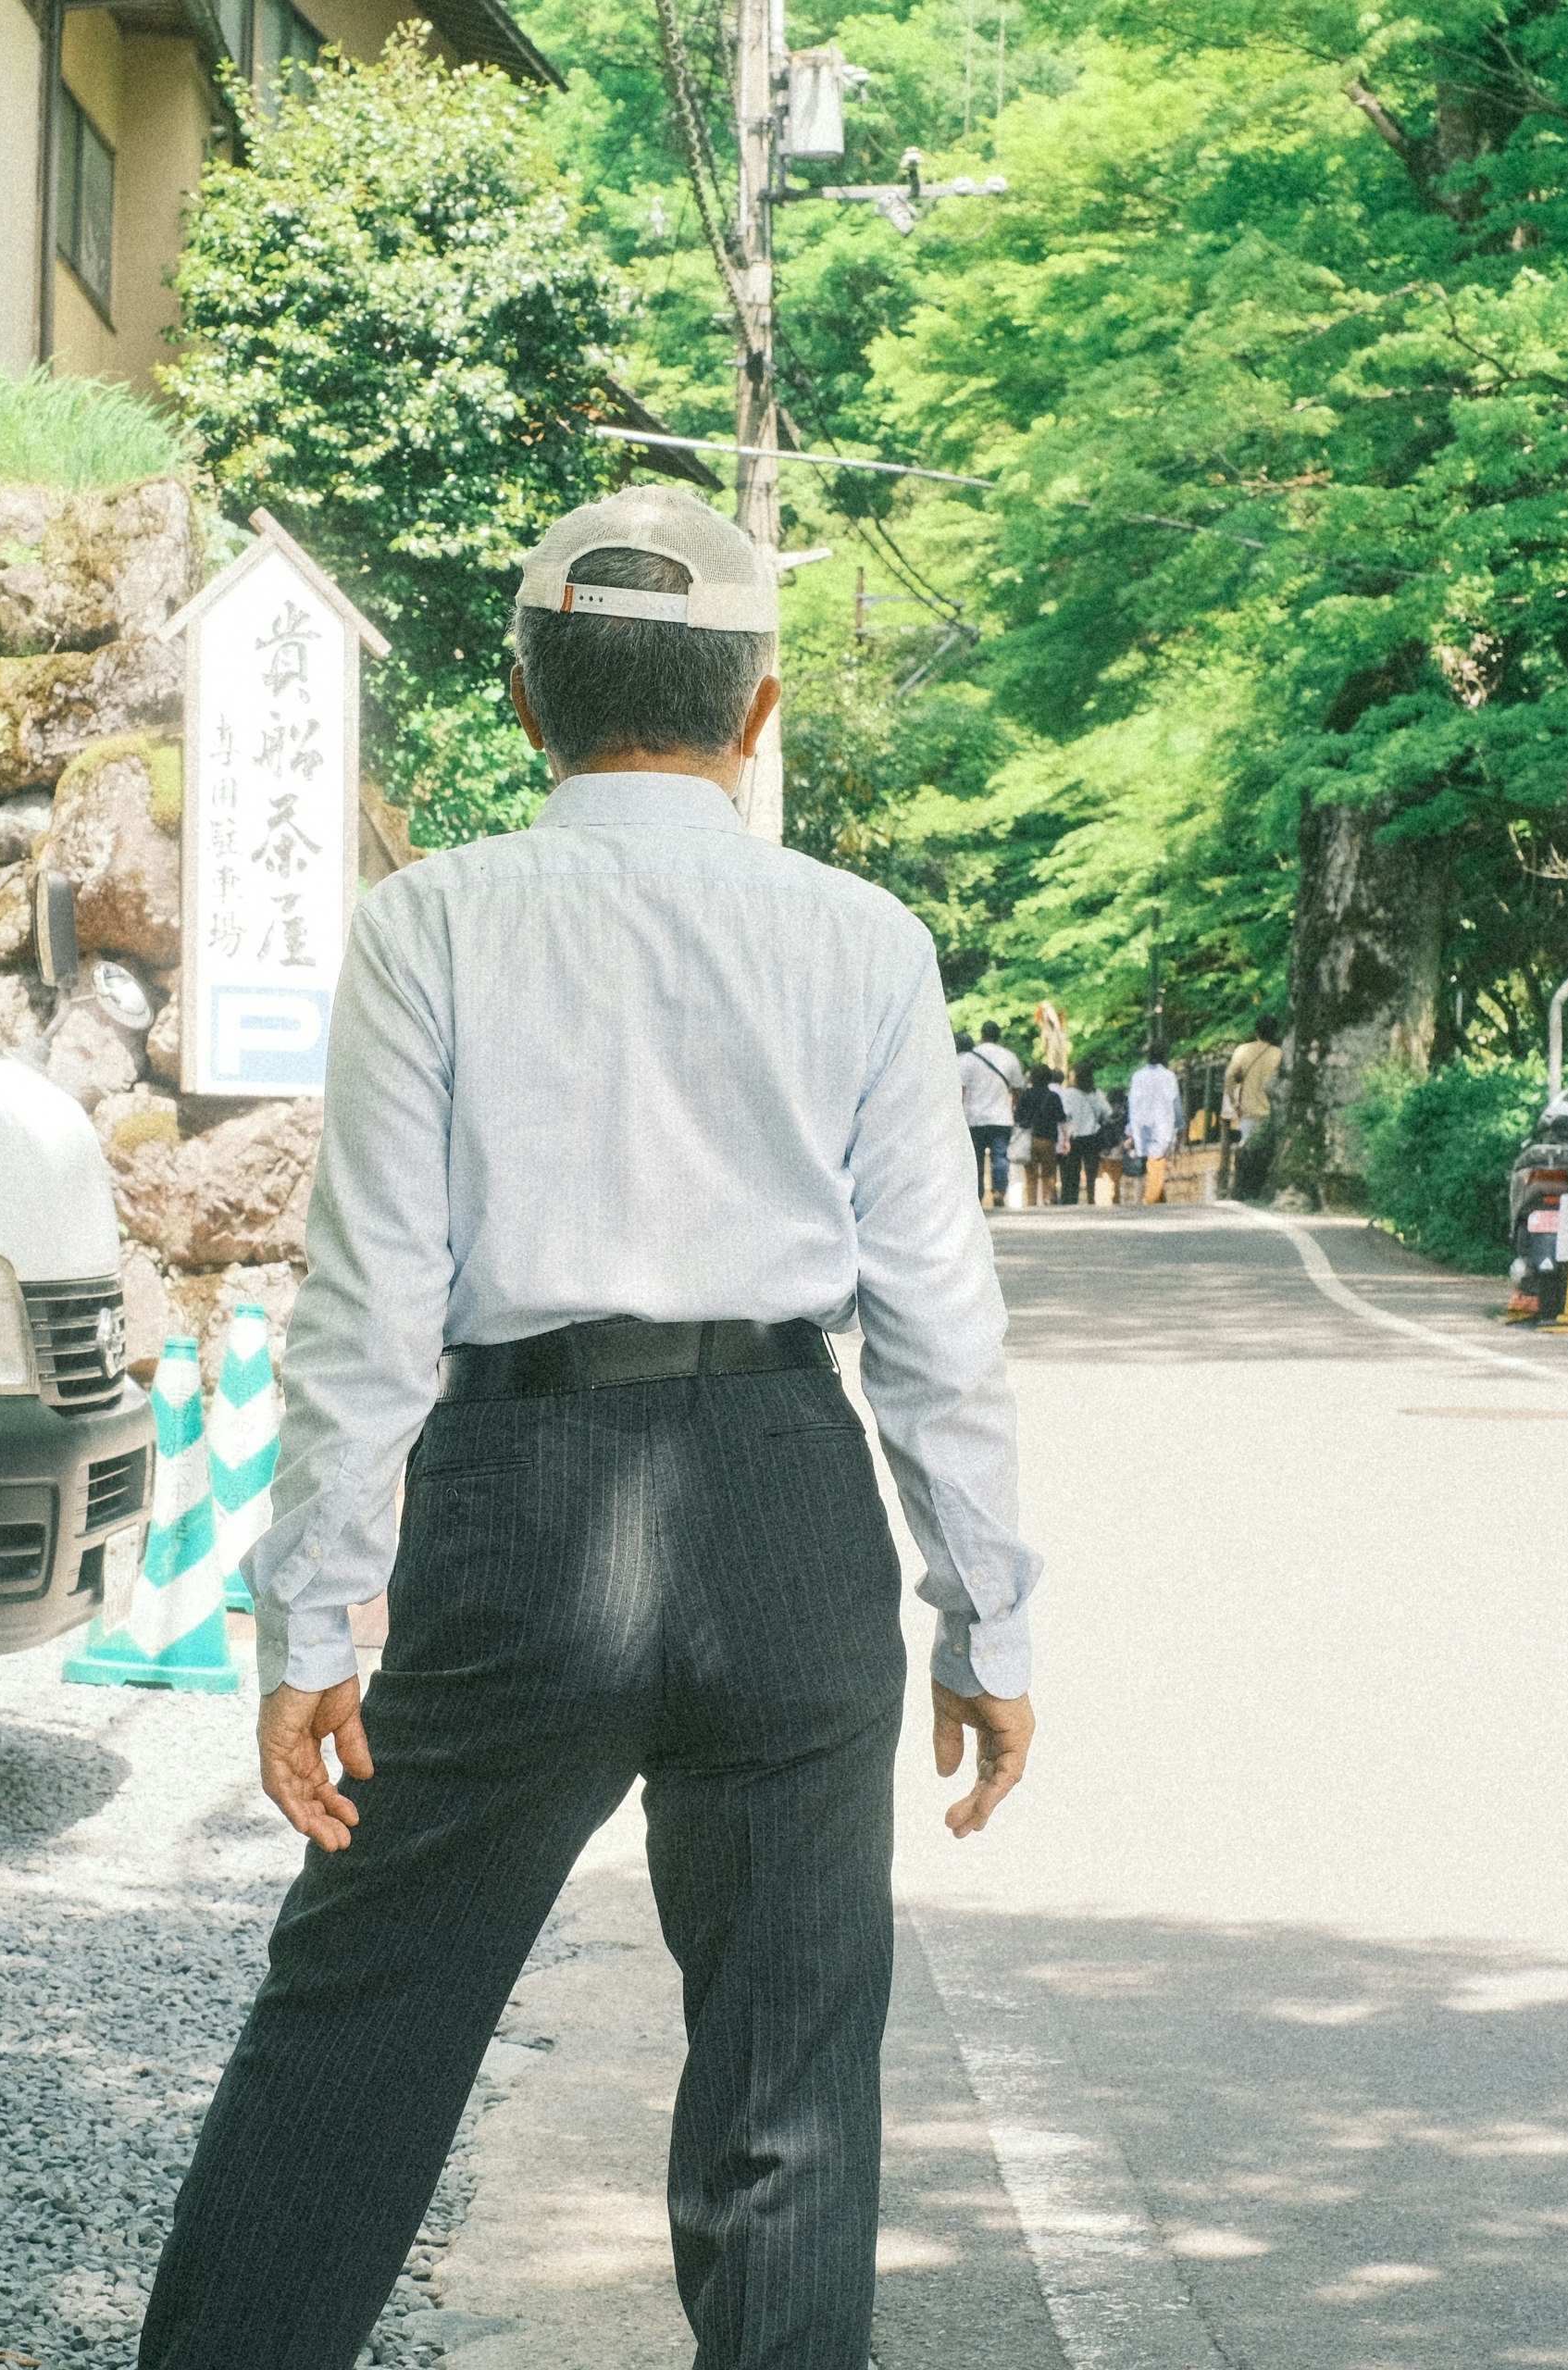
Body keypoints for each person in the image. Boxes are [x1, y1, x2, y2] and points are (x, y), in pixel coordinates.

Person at [140, 485, 1042, 2370]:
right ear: (761, 708)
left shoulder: (433, 921)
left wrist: (312, 1624)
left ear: (527, 696)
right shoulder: (865, 940)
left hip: (520, 1500)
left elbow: (371, 1298)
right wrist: (988, 1619)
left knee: (361, 2022)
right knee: (790, 2091)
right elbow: (936, 1312)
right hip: (790, 1504)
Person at [960, 1019, 1026, 1204]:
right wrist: (1013, 1107)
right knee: (1000, 1157)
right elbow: (1018, 1088)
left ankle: (977, 1194)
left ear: (981, 1035)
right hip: (1001, 1117)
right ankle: (998, 1191)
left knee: (976, 1158)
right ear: (998, 1036)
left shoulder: (968, 1059)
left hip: (974, 1117)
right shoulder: (1009, 1057)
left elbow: (962, 1090)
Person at [1224, 1017, 1283, 1202]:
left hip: (1249, 1111)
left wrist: (1234, 1101)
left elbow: (1229, 1076)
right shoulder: (1280, 1053)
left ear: (1256, 1031)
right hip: (1274, 1112)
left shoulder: (1243, 1050)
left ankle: (1247, 1192)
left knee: (1248, 1150)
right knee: (1272, 1154)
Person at [1125, 1038, 1181, 1206]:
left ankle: (1153, 1201)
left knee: (1146, 1165)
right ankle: (1149, 1202)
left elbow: (1132, 1104)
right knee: (1157, 1162)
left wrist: (1130, 1128)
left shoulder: (1138, 1076)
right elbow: (1175, 1103)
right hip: (1161, 1125)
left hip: (1140, 1125)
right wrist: (1180, 1127)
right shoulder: (1168, 1076)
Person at [1012, 1063, 1064, 1208]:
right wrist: (1065, 1140)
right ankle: (1047, 1199)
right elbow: (1062, 1119)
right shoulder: (1054, 1096)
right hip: (1048, 1139)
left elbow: (1017, 1118)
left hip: (1030, 1139)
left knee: (1031, 1174)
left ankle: (1032, 1203)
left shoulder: (1025, 1095)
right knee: (1049, 1172)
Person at [1057, 1062, 1107, 1205]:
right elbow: (1107, 1112)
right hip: (1093, 1136)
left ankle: (1072, 1200)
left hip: (1076, 1137)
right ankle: (1092, 1199)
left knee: (1073, 1171)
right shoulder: (1097, 1093)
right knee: (1092, 1171)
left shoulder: (1070, 1094)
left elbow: (1066, 1114)